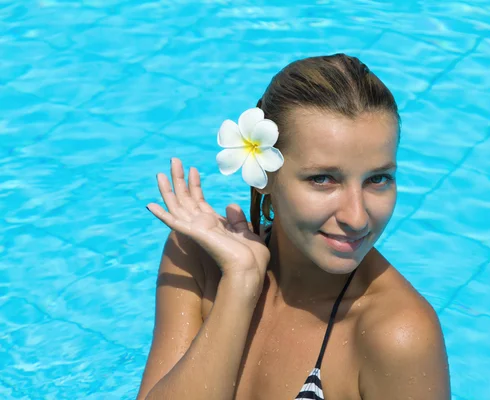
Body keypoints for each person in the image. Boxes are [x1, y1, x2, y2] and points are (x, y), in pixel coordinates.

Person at [137, 53, 450, 400]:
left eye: (378, 179)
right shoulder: (196, 258)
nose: (357, 217)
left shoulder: (396, 333)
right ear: (264, 177)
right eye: (323, 179)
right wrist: (240, 286)